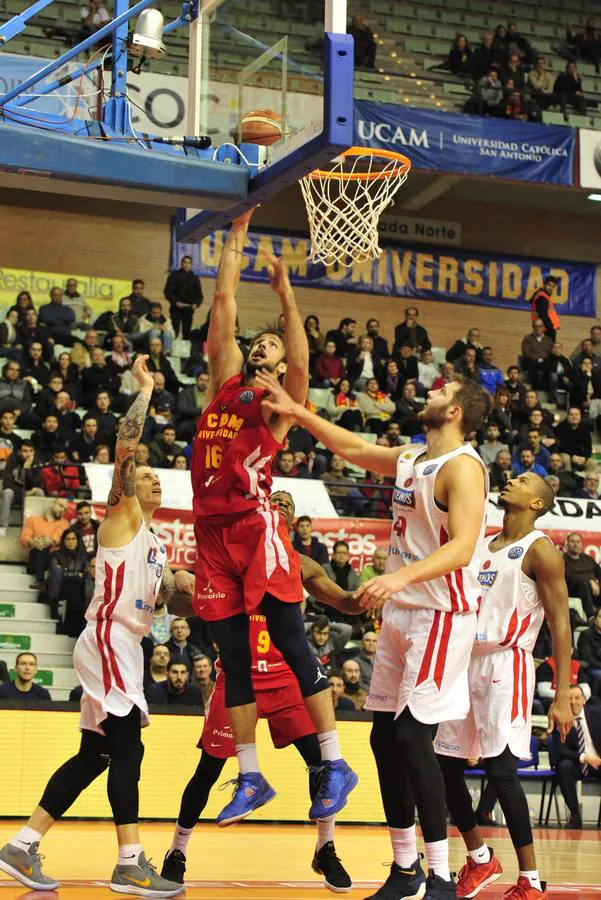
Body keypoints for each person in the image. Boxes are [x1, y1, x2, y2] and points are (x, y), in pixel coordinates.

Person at [256, 367, 492, 899]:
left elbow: (462, 547)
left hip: (441, 615)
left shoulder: (464, 469)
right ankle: (405, 868)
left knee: (411, 736)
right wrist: (299, 414)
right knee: (383, 736)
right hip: (401, 613)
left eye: (443, 391)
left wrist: (398, 577)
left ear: (454, 412)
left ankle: (440, 876)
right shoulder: (414, 455)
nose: (432, 390)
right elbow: (358, 450)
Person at [190, 209, 357, 826]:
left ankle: (334, 761)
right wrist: (231, 245)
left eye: (273, 345)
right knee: (232, 659)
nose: (263, 346)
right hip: (211, 533)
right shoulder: (223, 387)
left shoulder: (280, 401)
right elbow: (224, 303)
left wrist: (288, 297)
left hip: (257, 529)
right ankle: (251, 776)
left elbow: (304, 366)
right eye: (259, 342)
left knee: (288, 639)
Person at [0, 355, 186, 897]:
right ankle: (129, 862)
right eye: (142, 475)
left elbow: (169, 596)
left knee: (97, 754)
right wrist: (146, 390)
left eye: (155, 477)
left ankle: (22, 845)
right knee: (128, 748)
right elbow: (127, 449)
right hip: (109, 639)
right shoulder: (122, 517)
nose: (148, 478)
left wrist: (189, 588)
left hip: (121, 643)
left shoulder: (154, 544)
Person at [161, 489, 357, 892]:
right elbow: (184, 607)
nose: (280, 504)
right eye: (274, 500)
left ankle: (326, 848)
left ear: (295, 517)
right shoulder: (232, 561)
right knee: (209, 769)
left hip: (286, 679)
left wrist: (378, 594)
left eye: (288, 502)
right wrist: (180, 586)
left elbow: (346, 602)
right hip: (239, 680)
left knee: (323, 765)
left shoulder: (302, 565)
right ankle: (177, 850)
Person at [435, 472, 573, 900]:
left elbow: (561, 622)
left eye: (525, 480)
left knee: (501, 770)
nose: (513, 479)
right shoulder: (479, 542)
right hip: (464, 662)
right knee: (445, 766)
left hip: (506, 664)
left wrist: (563, 693)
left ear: (537, 504)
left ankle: (530, 880)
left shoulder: (541, 551)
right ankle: (480, 859)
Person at [552, 685, 601, 828]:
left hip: (598, 761)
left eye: (577, 698)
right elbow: (560, 751)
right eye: (569, 698)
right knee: (564, 766)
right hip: (577, 763)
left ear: (584, 700)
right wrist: (584, 758)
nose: (573, 702)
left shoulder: (597, 714)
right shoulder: (559, 719)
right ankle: (574, 815)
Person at [20, 498, 69, 588]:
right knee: (40, 548)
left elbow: (59, 535)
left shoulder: (64, 523)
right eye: (60, 505)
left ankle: (40, 580)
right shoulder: (32, 520)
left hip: (52, 558)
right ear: (52, 504)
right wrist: (33, 541)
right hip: (34, 559)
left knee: (45, 548)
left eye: (65, 509)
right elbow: (24, 538)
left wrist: (50, 540)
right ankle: (40, 580)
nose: (62, 510)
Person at [563, 532, 601, 620]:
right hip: (574, 590)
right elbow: (569, 577)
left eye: (578, 542)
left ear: (581, 544)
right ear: (567, 544)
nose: (575, 544)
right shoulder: (563, 559)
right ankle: (591, 616)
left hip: (593, 591)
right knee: (582, 582)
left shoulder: (587, 558)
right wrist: (590, 581)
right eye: (572, 541)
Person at [163, 256, 203, 340]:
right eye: (185, 262)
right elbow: (167, 292)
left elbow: (199, 295)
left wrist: (196, 304)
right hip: (176, 307)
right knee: (174, 330)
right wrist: (175, 302)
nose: (187, 265)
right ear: (182, 263)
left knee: (187, 331)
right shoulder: (174, 276)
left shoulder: (195, 278)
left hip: (189, 308)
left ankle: (186, 352)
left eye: (189, 263)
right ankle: (171, 349)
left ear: (191, 265)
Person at [529, 276, 560, 343]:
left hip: (543, 329)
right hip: (545, 330)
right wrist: (551, 328)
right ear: (544, 285)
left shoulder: (541, 296)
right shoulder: (542, 298)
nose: (551, 288)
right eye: (549, 285)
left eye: (553, 286)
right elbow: (543, 315)